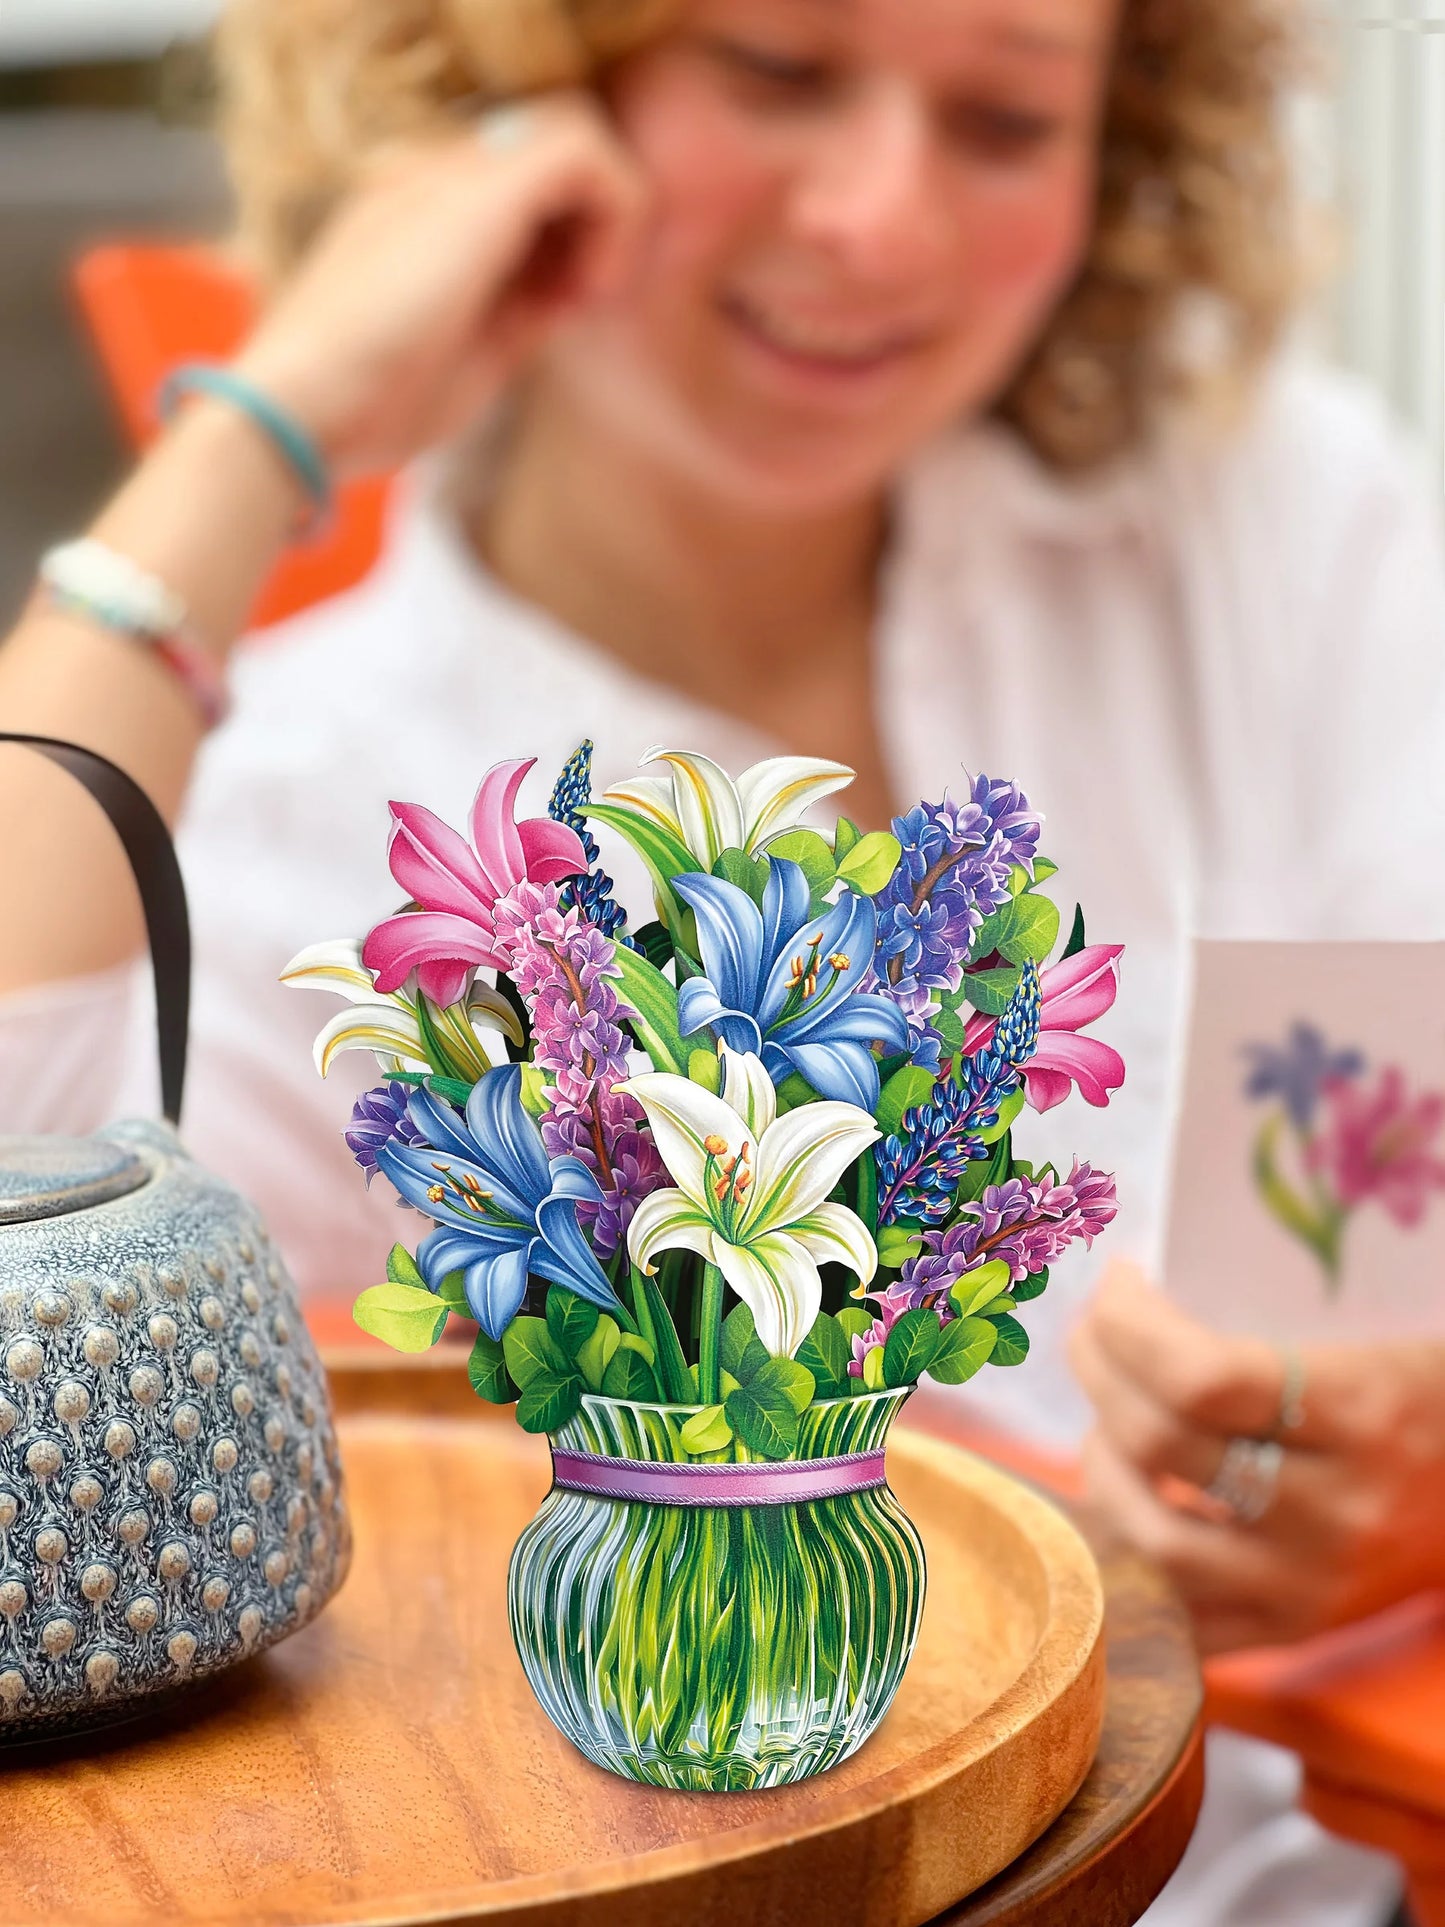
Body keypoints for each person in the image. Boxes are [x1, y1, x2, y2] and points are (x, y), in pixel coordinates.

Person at [1, 0, 1442, 1918]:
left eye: (1006, 119)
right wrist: (276, 421)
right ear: (512, 95)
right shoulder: (303, 827)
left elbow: (1372, 1205)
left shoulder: (1255, 529)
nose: (876, 222)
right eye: (772, 70)